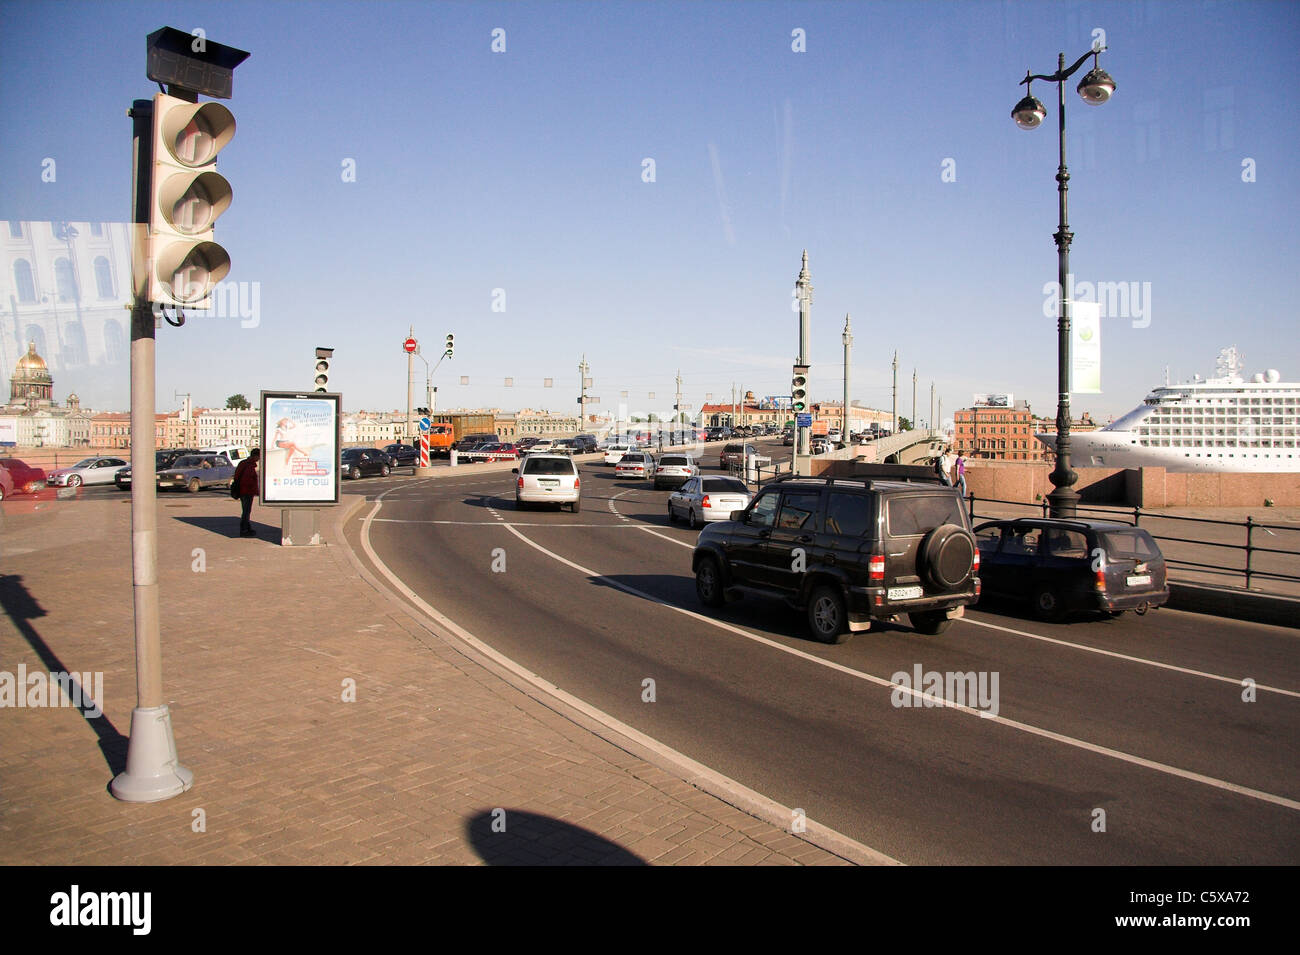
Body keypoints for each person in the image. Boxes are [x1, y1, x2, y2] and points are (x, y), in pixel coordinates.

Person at [232, 448, 260, 537]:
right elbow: (248, 480)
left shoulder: (244, 463)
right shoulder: (249, 465)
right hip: (246, 491)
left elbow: (237, 476)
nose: (259, 459)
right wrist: (254, 490)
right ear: (255, 456)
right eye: (259, 456)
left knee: (246, 510)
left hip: (243, 490)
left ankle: (247, 528)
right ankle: (244, 530)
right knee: (246, 511)